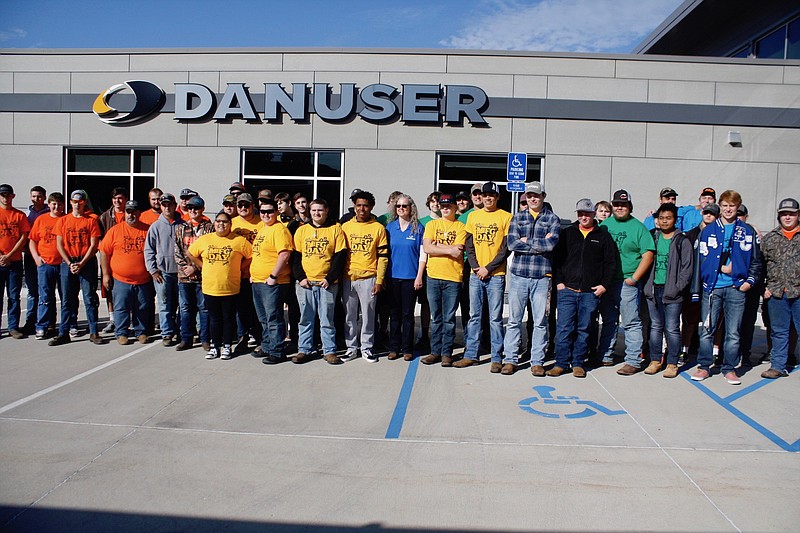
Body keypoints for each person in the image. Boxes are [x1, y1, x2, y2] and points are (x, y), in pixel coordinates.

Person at [692, 190, 761, 385]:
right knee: (707, 329)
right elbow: (701, 260)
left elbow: (756, 261)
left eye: (732, 206)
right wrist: (719, 269)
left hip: (736, 288)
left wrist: (749, 282)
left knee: (733, 332)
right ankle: (704, 366)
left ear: (738, 207)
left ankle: (729, 368)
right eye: (725, 206)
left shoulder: (747, 231)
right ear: (719, 207)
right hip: (712, 287)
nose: (728, 209)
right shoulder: (709, 230)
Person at [549, 199, 616, 377]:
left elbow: (610, 263)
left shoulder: (603, 236)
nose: (583, 217)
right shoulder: (567, 233)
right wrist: (560, 282)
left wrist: (604, 286)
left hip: (590, 292)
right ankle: (561, 363)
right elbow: (557, 259)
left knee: (584, 328)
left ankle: (578, 363)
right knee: (564, 328)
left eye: (587, 213)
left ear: (594, 214)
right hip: (567, 290)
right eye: (580, 213)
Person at [503, 182, 560, 376]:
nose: (532, 199)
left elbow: (551, 245)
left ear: (543, 196)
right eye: (529, 196)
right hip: (519, 275)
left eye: (536, 195)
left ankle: (537, 361)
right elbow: (511, 243)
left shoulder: (553, 219)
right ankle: (510, 359)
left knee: (540, 321)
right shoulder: (517, 217)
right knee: (514, 320)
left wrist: (526, 242)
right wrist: (540, 243)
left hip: (542, 277)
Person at [454, 181, 512, 371]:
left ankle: (497, 357)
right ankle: (471, 354)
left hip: (496, 275)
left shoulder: (506, 217)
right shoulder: (473, 217)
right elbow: (469, 246)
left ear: (497, 198)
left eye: (491, 195)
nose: (487, 198)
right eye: (485, 195)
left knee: (494, 318)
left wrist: (488, 268)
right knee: (474, 316)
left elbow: (506, 248)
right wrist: (477, 267)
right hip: (475, 275)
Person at [598, 189, 655, 374]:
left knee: (631, 322)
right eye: (617, 204)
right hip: (607, 282)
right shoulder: (604, 226)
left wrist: (634, 278)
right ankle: (605, 355)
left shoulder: (638, 227)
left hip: (626, 282)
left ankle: (632, 360)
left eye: (623, 204)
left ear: (630, 206)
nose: (620, 207)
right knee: (608, 320)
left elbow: (648, 254)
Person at [187, 211, 253, 360]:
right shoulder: (205, 240)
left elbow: (251, 255)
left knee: (228, 318)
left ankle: (227, 346)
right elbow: (191, 253)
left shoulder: (238, 241)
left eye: (224, 222)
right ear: (214, 223)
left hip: (230, 288)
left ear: (230, 225)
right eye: (218, 221)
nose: (221, 224)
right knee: (214, 319)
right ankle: (215, 346)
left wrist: (241, 267)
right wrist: (202, 265)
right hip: (210, 287)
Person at [292, 199, 347, 364]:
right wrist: (300, 277)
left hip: (327, 283)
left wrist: (329, 278)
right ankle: (304, 349)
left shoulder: (335, 230)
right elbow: (296, 257)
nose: (317, 213)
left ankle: (329, 351)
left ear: (327, 211)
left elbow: (340, 256)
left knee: (327, 319)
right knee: (305, 318)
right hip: (306, 283)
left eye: (320, 210)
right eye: (314, 210)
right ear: (310, 212)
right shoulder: (302, 231)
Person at [642, 203, 693, 378]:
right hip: (653, 289)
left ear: (675, 219)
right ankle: (655, 360)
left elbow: (687, 268)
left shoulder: (681, 240)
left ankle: (672, 362)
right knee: (655, 326)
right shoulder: (652, 237)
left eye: (668, 218)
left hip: (672, 292)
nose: (664, 221)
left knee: (671, 328)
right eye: (661, 218)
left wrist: (678, 287)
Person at [49, 190, 104, 346]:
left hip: (86, 262)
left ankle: (93, 332)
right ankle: (63, 332)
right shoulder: (63, 221)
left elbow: (94, 244)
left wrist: (82, 263)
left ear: (84, 202)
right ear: (71, 202)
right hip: (68, 263)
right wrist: (69, 262)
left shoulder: (91, 221)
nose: (77, 204)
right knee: (67, 299)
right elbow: (59, 244)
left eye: (80, 202)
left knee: (89, 298)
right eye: (74, 201)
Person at [340, 190, 389, 362]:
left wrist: (380, 280)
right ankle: (351, 348)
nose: (362, 209)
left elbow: (383, 257)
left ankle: (367, 348)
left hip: (369, 278)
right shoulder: (344, 227)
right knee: (349, 316)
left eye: (365, 206)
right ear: (354, 206)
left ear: (371, 207)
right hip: (348, 278)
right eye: (359, 205)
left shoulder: (378, 228)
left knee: (368, 316)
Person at [420, 193, 466, 366]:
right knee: (436, 317)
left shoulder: (461, 227)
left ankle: (446, 353)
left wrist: (437, 246)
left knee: (449, 318)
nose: (445, 208)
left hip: (453, 277)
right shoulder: (432, 224)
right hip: (433, 276)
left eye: (449, 205)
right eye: (443, 205)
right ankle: (435, 351)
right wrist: (447, 249)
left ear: (455, 207)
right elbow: (427, 248)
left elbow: (458, 250)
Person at [99, 200, 153, 345]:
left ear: (139, 213)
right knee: (121, 307)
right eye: (128, 212)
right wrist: (105, 274)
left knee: (142, 307)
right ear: (125, 213)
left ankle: (141, 332)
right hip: (120, 279)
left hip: (144, 280)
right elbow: (104, 251)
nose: (131, 215)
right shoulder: (115, 231)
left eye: (134, 212)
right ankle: (121, 332)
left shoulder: (148, 230)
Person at [759, 198, 800, 379]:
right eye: (784, 214)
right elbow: (759, 266)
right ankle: (778, 366)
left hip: (798, 292)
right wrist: (763, 287)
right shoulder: (770, 239)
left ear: (798, 215)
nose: (788, 217)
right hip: (776, 293)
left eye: (791, 213)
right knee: (779, 331)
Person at [251, 199, 294, 364]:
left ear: (276, 212)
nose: (266, 215)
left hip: (273, 283)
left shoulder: (279, 230)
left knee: (273, 318)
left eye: (269, 211)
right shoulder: (263, 229)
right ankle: (268, 345)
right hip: (258, 281)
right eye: (262, 212)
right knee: (263, 318)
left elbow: (284, 254)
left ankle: (277, 352)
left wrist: (273, 276)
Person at [385, 193, 426, 361]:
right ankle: (394, 347)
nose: (401, 209)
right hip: (392, 277)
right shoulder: (389, 228)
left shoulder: (418, 228)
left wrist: (419, 277)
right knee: (394, 315)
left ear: (411, 208)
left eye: (404, 206)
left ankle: (407, 348)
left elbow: (423, 255)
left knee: (408, 315)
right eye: (398, 206)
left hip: (411, 278)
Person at [680, 203, 719, 363]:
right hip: (693, 286)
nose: (709, 215)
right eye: (706, 212)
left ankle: (715, 353)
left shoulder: (720, 234)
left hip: (713, 284)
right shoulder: (690, 235)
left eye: (712, 213)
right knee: (690, 321)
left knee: (714, 322)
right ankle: (684, 350)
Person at [173, 195, 213, 351]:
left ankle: (204, 338)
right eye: (190, 208)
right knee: (185, 308)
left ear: (202, 209)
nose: (193, 211)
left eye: (196, 208)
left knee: (204, 308)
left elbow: (210, 251)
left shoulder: (209, 228)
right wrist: (186, 269)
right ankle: (186, 338)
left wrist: (196, 268)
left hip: (203, 276)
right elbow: (177, 252)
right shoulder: (181, 227)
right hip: (185, 277)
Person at [144, 192, 182, 346]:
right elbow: (149, 250)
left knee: (182, 304)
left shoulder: (183, 225)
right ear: (161, 206)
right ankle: (167, 333)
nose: (167, 207)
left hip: (181, 273)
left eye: (169, 204)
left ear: (175, 206)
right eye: (164, 205)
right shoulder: (155, 227)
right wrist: (153, 270)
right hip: (163, 273)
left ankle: (181, 331)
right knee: (164, 304)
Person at [28, 192, 65, 339]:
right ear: (48, 204)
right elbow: (32, 240)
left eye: (59, 204)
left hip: (63, 264)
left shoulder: (66, 219)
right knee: (45, 296)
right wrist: (36, 257)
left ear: (63, 205)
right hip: (45, 264)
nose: (56, 207)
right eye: (53, 204)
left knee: (65, 297)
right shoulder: (41, 220)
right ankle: (42, 325)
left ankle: (64, 325)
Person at [230, 192, 263, 354]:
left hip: (256, 273)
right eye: (240, 205)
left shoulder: (262, 223)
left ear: (252, 206)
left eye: (246, 205)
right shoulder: (233, 223)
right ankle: (242, 338)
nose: (243, 208)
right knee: (240, 309)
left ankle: (260, 338)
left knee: (257, 308)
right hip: (237, 274)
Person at [0, 183, 32, 339]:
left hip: (15, 261)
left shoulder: (20, 216)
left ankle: (13, 327)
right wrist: (1, 256)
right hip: (0, 261)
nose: (5, 198)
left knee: (14, 296)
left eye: (8, 195)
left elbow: (23, 237)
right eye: (2, 195)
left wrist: (9, 255)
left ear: (13, 196)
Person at [98, 187, 128, 334]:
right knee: (109, 288)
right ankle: (112, 319)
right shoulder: (105, 217)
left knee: (127, 292)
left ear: (126, 200)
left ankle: (127, 319)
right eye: (115, 198)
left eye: (120, 198)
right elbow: (99, 240)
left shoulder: (132, 215)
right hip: (109, 259)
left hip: (127, 258)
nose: (117, 201)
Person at [21, 185, 49, 334]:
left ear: (44, 197)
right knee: (32, 291)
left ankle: (47, 321)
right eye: (33, 196)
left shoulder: (51, 213)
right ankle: (30, 322)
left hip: (46, 258)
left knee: (46, 291)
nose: (36, 199)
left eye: (39, 196)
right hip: (30, 257)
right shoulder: (27, 215)